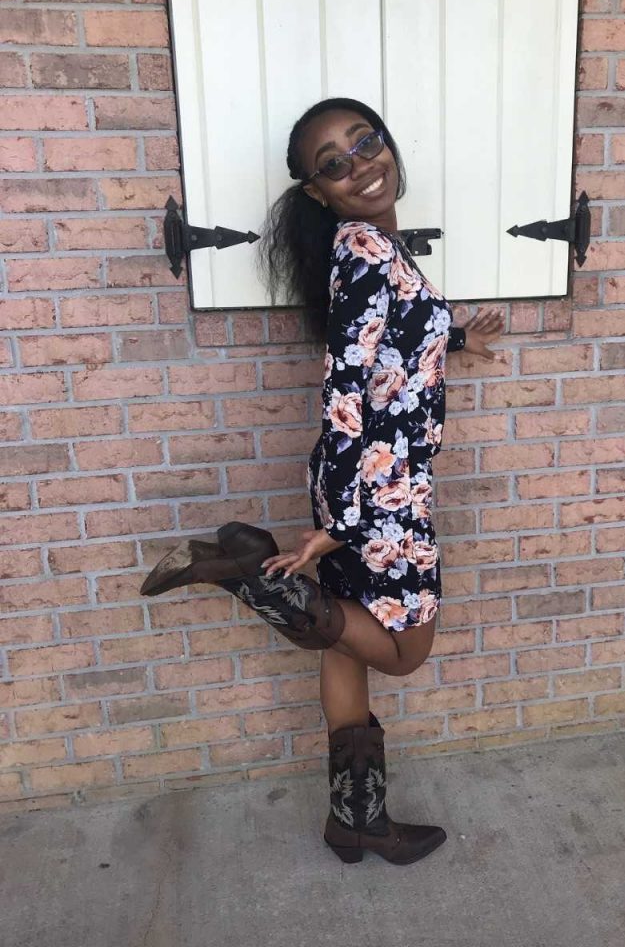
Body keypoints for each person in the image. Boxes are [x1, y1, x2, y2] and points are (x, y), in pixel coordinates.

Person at [141, 97, 503, 864]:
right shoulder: (366, 250)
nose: (359, 166)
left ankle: (355, 821)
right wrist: (341, 521)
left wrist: (454, 337)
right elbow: (345, 382)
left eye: (364, 143)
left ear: (387, 141)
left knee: (345, 646)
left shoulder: (371, 246)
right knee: (404, 651)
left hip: (366, 480)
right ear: (317, 190)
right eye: (333, 163)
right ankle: (252, 578)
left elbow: (389, 344)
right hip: (380, 489)